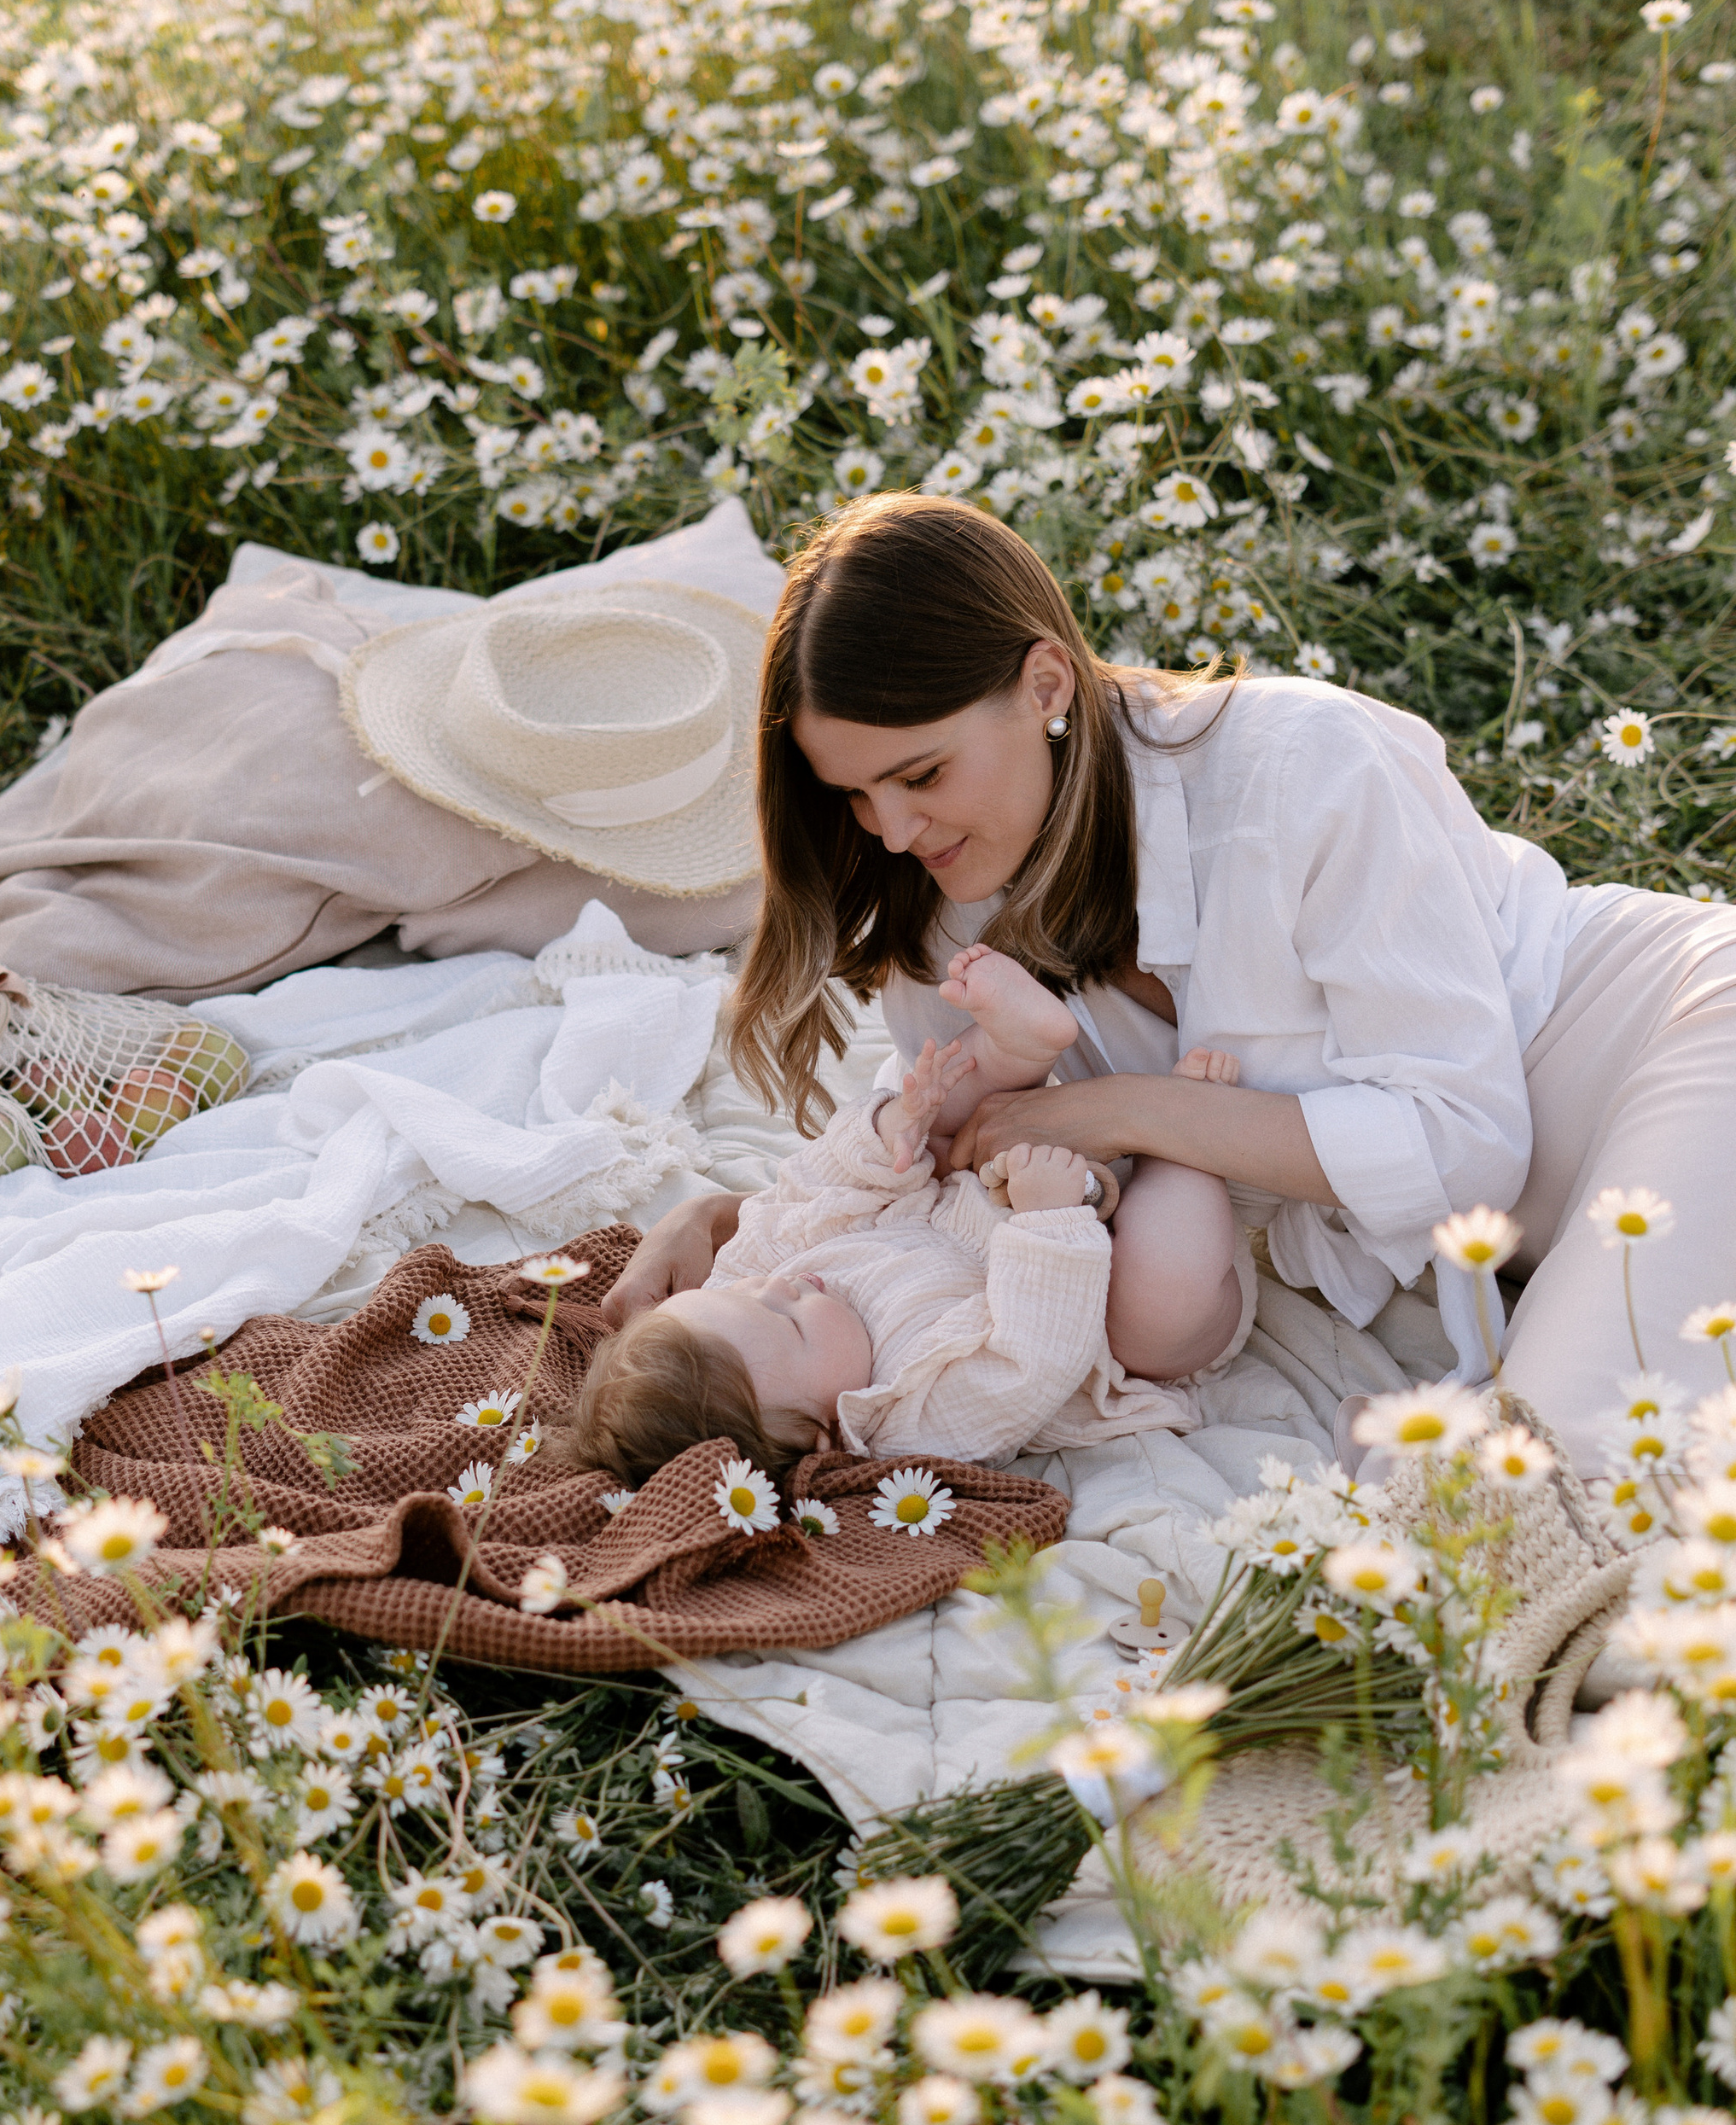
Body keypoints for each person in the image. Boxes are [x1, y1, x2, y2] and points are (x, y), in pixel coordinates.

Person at [603, 492, 1736, 1466]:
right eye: (853, 796)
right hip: (1533, 1230)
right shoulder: (942, 909)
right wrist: (743, 1231)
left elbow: (1465, 1143)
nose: (890, 831)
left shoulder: (1302, 768)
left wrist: (1126, 1108)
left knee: (1576, 1486)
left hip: (1665, 1036)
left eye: (920, 774)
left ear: (1046, 682)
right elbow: (977, 1180)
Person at [562, 971, 1252, 1486]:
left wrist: (890, 1133)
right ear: (826, 1436)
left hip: (987, 1179)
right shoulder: (917, 1414)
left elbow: (809, 1190)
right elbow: (1032, 1356)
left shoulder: (767, 1284)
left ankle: (1018, 1044)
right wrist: (1047, 1220)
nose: (782, 1284)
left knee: (927, 1118)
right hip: (1091, 1292)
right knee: (1164, 1305)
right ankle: (1183, 1140)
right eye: (792, 1321)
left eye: (744, 1292)